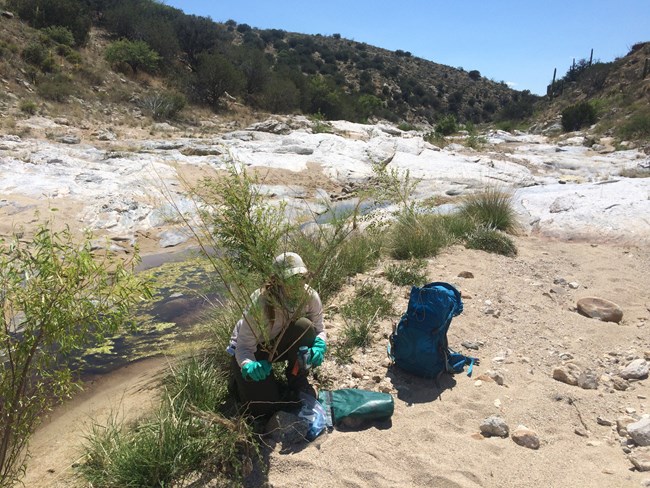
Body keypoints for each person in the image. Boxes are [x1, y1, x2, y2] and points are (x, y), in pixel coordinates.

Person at [227, 252, 327, 417]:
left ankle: (296, 376)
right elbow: (243, 346)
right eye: (289, 280)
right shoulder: (260, 303)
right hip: (254, 350)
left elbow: (319, 329)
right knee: (264, 410)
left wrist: (320, 344)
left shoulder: (310, 296)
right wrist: (248, 365)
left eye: (300, 278)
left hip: (279, 344)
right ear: (277, 282)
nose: (296, 284)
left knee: (305, 327)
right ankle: (239, 382)